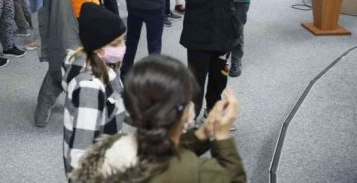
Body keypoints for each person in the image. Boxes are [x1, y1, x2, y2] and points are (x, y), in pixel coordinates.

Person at [70, 55, 246, 183]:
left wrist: (202, 134)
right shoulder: (196, 172)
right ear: (184, 112)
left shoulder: (112, 147)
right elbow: (233, 179)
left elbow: (161, 147)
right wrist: (222, 136)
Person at [178, 0, 250, 120]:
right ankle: (190, 117)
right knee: (196, 80)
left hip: (223, 30)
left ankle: (212, 110)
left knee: (219, 79)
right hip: (198, 33)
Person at [62, 2, 127, 176]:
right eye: (116, 44)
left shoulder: (105, 67)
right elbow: (80, 152)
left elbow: (118, 103)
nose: (123, 47)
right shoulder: (89, 88)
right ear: (98, 48)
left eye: (123, 40)